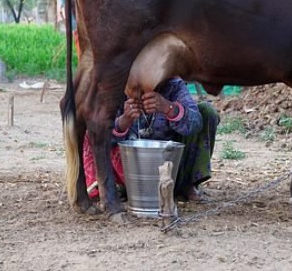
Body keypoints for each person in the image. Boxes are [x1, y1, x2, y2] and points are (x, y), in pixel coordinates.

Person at [82, 77, 219, 202]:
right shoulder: (115, 88)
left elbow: (195, 124)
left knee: (206, 112)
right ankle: (115, 187)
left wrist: (169, 107)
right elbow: (97, 137)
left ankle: (186, 184)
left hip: (172, 171)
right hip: (130, 175)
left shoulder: (174, 86)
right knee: (92, 126)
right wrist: (124, 121)